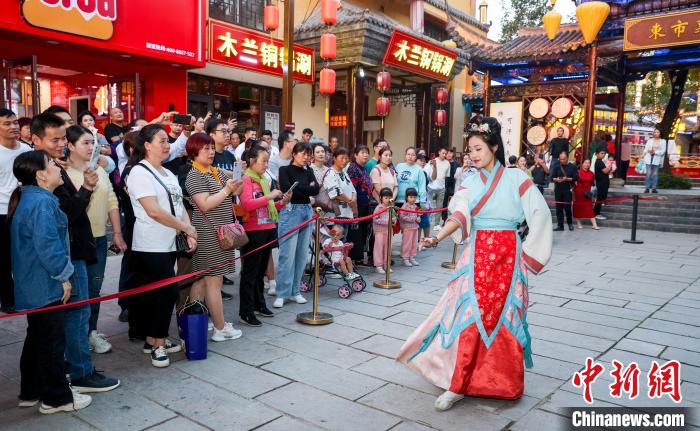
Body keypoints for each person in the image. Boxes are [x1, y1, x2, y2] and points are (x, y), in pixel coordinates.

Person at [397, 116, 552, 411]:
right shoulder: (469, 182)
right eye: (470, 150)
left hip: (508, 255)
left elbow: (540, 213)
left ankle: (505, 383)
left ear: (494, 147)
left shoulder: (517, 178)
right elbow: (459, 214)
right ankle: (459, 383)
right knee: (469, 316)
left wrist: (528, 254)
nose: (474, 155)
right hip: (477, 253)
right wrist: (437, 237)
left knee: (506, 316)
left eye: (479, 148)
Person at [30, 112, 121, 391]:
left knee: (73, 314)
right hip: (68, 252)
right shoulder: (43, 172)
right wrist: (86, 189)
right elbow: (64, 214)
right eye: (56, 138)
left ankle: (64, 373)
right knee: (76, 315)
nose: (61, 143)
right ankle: (80, 373)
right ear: (37, 140)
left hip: (78, 247)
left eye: (63, 136)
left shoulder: (54, 166)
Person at [9, 150, 92, 414]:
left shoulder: (32, 199)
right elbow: (48, 246)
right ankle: (56, 398)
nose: (58, 167)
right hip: (45, 283)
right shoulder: (42, 203)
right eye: (52, 164)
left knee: (38, 337)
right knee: (52, 343)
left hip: (33, 282)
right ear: (41, 175)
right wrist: (64, 276)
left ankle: (31, 391)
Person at [125, 124, 197, 367]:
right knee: (166, 293)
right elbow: (153, 211)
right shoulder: (139, 172)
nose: (167, 145)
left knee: (160, 293)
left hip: (169, 242)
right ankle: (157, 343)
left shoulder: (167, 172)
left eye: (168, 141)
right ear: (147, 145)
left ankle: (153, 339)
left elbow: (179, 205)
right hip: (150, 244)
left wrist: (188, 229)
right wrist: (185, 227)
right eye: (162, 141)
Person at [65, 125, 127, 354]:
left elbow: (112, 200)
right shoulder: (62, 173)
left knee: (94, 287)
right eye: (85, 143)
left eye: (93, 142)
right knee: (78, 291)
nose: (92, 147)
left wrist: (117, 233)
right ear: (70, 146)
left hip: (99, 238)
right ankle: (77, 337)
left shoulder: (98, 169)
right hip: (76, 241)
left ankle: (91, 331)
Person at [185, 133, 244, 338]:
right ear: (194, 152)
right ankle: (220, 328)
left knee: (203, 280)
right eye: (206, 149)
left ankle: (196, 320)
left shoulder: (215, 171)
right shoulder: (194, 175)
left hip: (222, 232)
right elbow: (204, 204)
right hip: (208, 233)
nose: (211, 152)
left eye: (212, 148)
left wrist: (239, 173)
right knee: (213, 280)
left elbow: (238, 190)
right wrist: (227, 190)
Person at [240, 145, 290, 325]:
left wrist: (281, 203)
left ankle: (259, 304)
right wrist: (270, 197)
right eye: (263, 161)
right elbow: (247, 204)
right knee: (250, 273)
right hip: (253, 231)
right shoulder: (246, 179)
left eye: (268, 161)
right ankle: (246, 311)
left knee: (260, 271)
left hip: (267, 227)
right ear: (252, 161)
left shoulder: (262, 179)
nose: (266, 165)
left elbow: (267, 207)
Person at [274, 142, 319, 308]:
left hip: (306, 210)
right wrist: (308, 188)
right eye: (303, 154)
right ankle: (282, 293)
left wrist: (302, 189)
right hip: (290, 211)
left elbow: (316, 190)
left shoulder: (309, 170)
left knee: (301, 255)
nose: (306, 157)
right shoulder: (284, 170)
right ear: (294, 154)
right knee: (287, 255)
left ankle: (295, 291)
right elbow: (288, 189)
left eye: (308, 154)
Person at [0, 109, 30, 314]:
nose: (13, 127)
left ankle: (25, 295)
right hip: (2, 211)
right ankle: (8, 299)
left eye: (15, 122)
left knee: (24, 256)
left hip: (25, 210)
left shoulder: (26, 150)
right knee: (4, 259)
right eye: (7, 123)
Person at [346, 145, 373, 266]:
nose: (365, 155)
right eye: (362, 152)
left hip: (365, 204)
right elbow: (352, 189)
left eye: (367, 152)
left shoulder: (364, 168)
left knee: (362, 231)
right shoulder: (353, 168)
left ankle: (359, 257)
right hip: (356, 204)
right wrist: (354, 207)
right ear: (355, 155)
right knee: (355, 232)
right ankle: (354, 258)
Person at [326, 148, 357, 231]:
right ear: (334, 158)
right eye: (342, 158)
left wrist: (353, 201)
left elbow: (353, 190)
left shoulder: (344, 173)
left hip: (347, 212)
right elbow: (336, 193)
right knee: (335, 237)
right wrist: (351, 202)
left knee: (344, 237)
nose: (344, 161)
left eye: (346, 158)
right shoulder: (330, 173)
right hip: (336, 214)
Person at [551, 151, 578, 231]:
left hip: (568, 189)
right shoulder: (556, 166)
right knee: (558, 208)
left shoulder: (573, 166)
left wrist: (567, 179)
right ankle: (560, 225)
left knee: (567, 207)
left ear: (567, 158)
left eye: (564, 159)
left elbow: (576, 178)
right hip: (558, 189)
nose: (562, 161)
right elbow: (552, 177)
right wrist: (556, 179)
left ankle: (570, 223)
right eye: (560, 159)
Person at [424, 148, 450, 230]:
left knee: (439, 206)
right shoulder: (433, 161)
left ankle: (436, 224)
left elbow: (446, 176)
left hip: (441, 187)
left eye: (445, 153)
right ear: (439, 152)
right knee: (429, 205)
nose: (444, 155)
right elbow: (427, 172)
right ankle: (428, 222)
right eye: (443, 153)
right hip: (431, 187)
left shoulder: (447, 163)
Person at [373, 187, 394, 274]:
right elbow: (375, 219)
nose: (388, 199)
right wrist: (387, 222)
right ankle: (378, 265)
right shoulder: (379, 208)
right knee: (379, 248)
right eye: (386, 198)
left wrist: (394, 220)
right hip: (380, 232)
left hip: (388, 231)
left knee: (388, 248)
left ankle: (387, 265)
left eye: (389, 198)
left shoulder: (391, 207)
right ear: (381, 198)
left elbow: (394, 217)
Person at [573, 159, 599, 230]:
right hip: (579, 192)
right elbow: (574, 182)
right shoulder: (578, 172)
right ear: (582, 164)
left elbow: (593, 183)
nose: (587, 164)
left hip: (588, 193)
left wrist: (592, 192)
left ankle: (594, 224)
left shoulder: (591, 173)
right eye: (586, 163)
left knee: (589, 208)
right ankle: (578, 223)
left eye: (589, 163)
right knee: (578, 208)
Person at [399, 188, 421, 267]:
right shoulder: (404, 206)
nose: (413, 199)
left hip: (415, 228)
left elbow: (418, 215)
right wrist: (413, 219)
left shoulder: (415, 206)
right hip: (407, 228)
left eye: (414, 197)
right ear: (407, 197)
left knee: (414, 243)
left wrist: (418, 218)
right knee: (407, 243)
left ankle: (412, 256)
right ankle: (405, 258)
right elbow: (402, 217)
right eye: (411, 197)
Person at [643, 128, 667, 193]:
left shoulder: (663, 141)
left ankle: (654, 188)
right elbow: (645, 149)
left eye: (657, 132)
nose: (656, 133)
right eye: (655, 132)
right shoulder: (650, 140)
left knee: (655, 174)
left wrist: (655, 152)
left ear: (660, 133)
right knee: (648, 174)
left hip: (657, 159)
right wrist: (648, 151)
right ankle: (647, 188)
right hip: (648, 158)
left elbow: (663, 151)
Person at [593, 149, 611, 220]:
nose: (603, 155)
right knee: (599, 198)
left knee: (600, 198)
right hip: (601, 183)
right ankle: (596, 213)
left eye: (604, 153)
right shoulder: (599, 162)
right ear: (597, 154)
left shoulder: (600, 161)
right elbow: (605, 171)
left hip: (603, 182)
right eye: (601, 153)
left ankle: (597, 212)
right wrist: (609, 167)